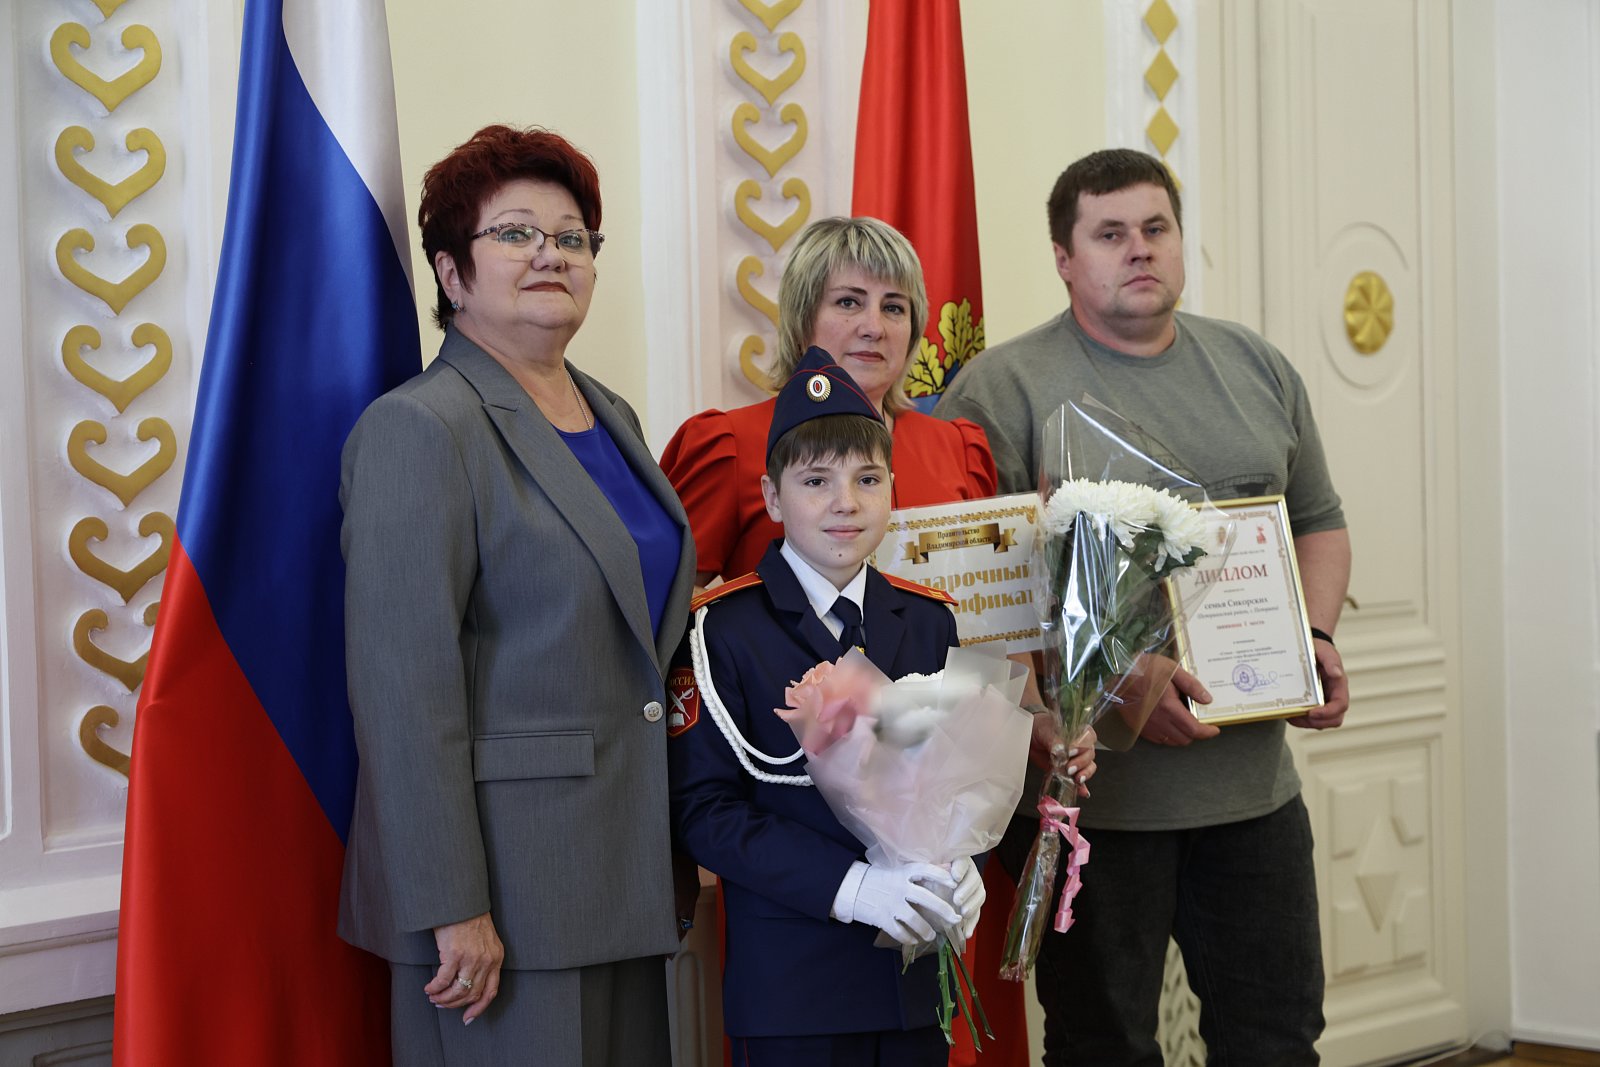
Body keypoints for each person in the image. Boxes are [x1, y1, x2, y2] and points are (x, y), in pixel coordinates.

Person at [936, 147, 1352, 1066]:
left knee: (1279, 1040)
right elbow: (976, 598)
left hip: (1254, 792)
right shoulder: (1001, 390)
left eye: (1156, 227)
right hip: (1094, 806)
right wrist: (1119, 680)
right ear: (1064, 256)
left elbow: (1318, 521)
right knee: (1104, 1048)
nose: (1140, 249)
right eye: (1110, 233)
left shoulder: (1256, 366)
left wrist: (1314, 632)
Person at [337, 125, 695, 1067]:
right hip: (502, 902)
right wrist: (451, 902)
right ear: (452, 274)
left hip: (625, 871)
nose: (550, 254)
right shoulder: (420, 429)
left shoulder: (611, 413)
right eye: (516, 233)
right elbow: (402, 692)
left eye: (572, 237)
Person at [662, 215, 1038, 1067]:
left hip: (914, 965)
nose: (846, 501)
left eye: (894, 305)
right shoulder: (726, 621)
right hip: (794, 968)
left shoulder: (927, 606)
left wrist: (965, 850)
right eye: (848, 301)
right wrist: (853, 885)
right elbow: (708, 789)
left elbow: (968, 712)